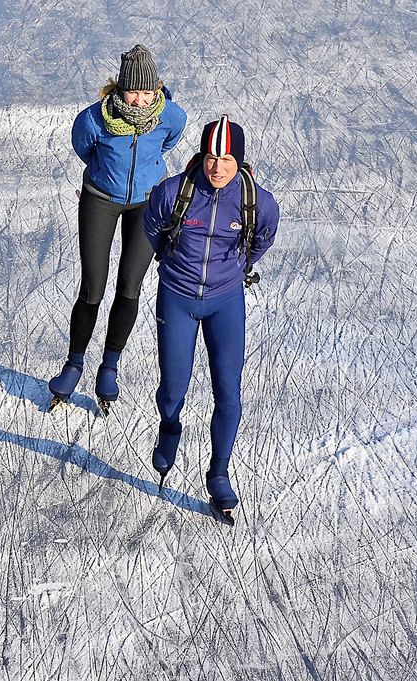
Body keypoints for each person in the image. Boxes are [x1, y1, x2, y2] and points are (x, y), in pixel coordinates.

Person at [142, 114, 280, 519]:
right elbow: (153, 229)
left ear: (239, 161)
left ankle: (218, 472)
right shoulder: (174, 193)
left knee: (228, 392)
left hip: (225, 302)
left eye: (226, 158)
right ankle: (170, 427)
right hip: (178, 298)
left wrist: (235, 270)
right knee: (172, 387)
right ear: (201, 156)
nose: (217, 166)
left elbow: (264, 236)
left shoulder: (256, 202)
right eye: (210, 157)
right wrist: (175, 267)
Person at [48, 44, 187, 412]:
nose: (139, 101)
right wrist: (107, 176)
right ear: (118, 89)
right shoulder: (93, 120)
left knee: (130, 286)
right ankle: (74, 362)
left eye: (146, 92)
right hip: (99, 200)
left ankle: (109, 365)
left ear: (156, 89)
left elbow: (171, 140)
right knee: (93, 286)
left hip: (147, 203)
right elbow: (84, 148)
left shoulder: (169, 116)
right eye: (132, 91)